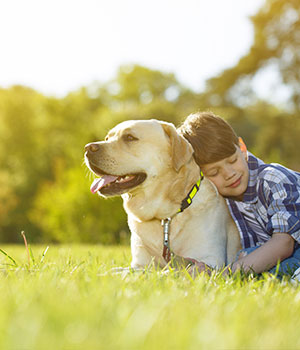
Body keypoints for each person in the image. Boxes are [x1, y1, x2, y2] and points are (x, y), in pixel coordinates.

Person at [178, 111, 300, 279]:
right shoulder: (222, 200)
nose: (229, 174)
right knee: (247, 256)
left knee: (268, 267)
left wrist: (224, 275)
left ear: (242, 148)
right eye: (214, 172)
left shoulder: (273, 179)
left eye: (232, 161)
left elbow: (284, 244)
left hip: (293, 250)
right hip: (277, 255)